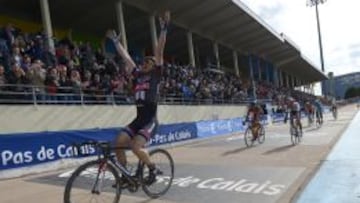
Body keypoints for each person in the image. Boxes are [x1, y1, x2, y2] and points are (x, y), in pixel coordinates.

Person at [109, 11, 171, 185]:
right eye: (143, 62)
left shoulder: (156, 75)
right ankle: (125, 175)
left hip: (150, 121)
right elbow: (127, 58)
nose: (144, 63)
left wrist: (164, 29)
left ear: (153, 65)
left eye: (147, 62)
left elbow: (159, 51)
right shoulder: (137, 75)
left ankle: (152, 169)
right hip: (138, 119)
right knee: (118, 144)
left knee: (135, 147)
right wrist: (116, 42)